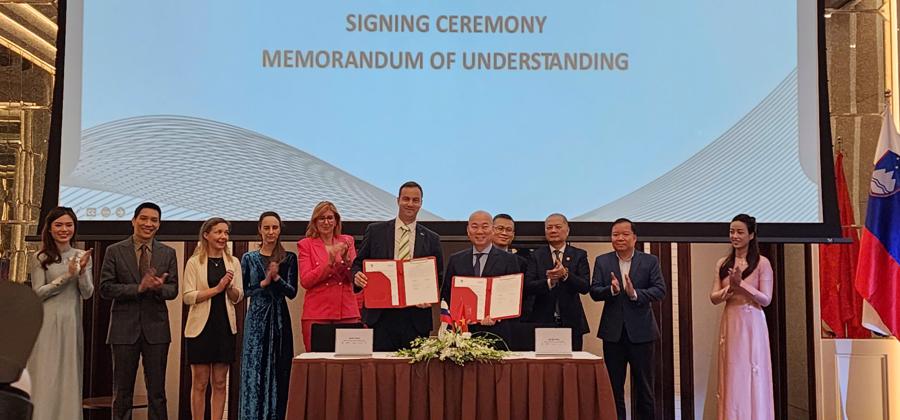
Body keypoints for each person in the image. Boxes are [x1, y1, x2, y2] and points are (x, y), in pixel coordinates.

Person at [99, 202, 178, 420]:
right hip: (124, 330)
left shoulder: (167, 253)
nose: (148, 224)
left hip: (157, 330)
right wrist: (138, 288)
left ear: (159, 225)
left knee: (157, 393)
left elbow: (173, 290)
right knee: (122, 393)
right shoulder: (114, 251)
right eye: (144, 218)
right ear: (133, 221)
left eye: (154, 220)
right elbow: (105, 288)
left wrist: (159, 287)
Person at [352, 181, 444, 351]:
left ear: (421, 203)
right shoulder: (375, 231)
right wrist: (356, 276)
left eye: (415, 200)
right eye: (406, 199)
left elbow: (437, 276)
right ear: (398, 200)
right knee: (381, 373)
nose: (410, 204)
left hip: (416, 318)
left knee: (415, 375)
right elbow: (358, 264)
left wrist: (430, 297)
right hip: (381, 316)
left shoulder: (432, 238)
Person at [590, 218, 666, 420]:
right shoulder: (602, 261)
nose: (620, 238)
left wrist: (635, 294)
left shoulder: (650, 261)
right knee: (614, 388)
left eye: (624, 234)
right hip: (613, 333)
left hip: (642, 333)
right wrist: (611, 290)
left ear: (634, 238)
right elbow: (595, 291)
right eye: (615, 235)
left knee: (644, 387)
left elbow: (660, 291)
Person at [26, 207, 92, 420]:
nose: (64, 229)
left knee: (69, 375)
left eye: (69, 225)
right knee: (45, 375)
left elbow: (88, 293)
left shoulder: (82, 256)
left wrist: (81, 272)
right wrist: (65, 276)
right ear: (50, 229)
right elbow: (37, 294)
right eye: (59, 225)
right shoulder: (40, 257)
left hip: (71, 323)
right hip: (45, 324)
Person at [709, 214, 774, 420]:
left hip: (753, 321)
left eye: (740, 232)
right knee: (732, 371)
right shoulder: (723, 263)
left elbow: (766, 299)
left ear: (751, 235)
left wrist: (741, 284)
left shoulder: (762, 263)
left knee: (753, 369)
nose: (734, 236)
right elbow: (713, 296)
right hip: (731, 319)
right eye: (731, 232)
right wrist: (728, 290)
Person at [183, 218, 244, 420]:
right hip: (200, 328)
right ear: (206, 235)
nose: (223, 237)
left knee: (220, 382)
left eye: (226, 233)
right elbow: (188, 296)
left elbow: (238, 297)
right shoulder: (194, 262)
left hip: (224, 327)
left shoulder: (233, 262)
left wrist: (229, 289)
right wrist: (216, 289)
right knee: (199, 382)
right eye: (218, 232)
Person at [239, 212, 297, 420]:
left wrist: (277, 278)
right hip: (256, 319)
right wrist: (263, 284)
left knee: (281, 369)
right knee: (255, 369)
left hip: (280, 318)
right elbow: (244, 290)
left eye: (275, 228)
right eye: (267, 228)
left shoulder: (289, 258)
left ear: (280, 230)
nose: (271, 232)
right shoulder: (248, 258)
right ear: (260, 230)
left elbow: (292, 292)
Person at [442, 210, 520, 345]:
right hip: (463, 334)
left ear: (493, 230)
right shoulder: (456, 259)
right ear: (468, 230)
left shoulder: (509, 260)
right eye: (474, 226)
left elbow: (512, 297)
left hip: (497, 333)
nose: (479, 231)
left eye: (485, 226)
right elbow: (447, 294)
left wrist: (497, 315)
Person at [298, 201, 360, 351]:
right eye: (321, 218)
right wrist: (330, 264)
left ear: (336, 221)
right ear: (315, 222)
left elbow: (353, 276)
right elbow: (306, 281)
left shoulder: (347, 241)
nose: (326, 222)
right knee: (318, 365)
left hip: (347, 311)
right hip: (318, 313)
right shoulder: (306, 244)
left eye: (330, 218)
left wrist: (345, 260)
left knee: (351, 364)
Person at [524, 213, 590, 350]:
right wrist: (550, 282)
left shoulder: (579, 255)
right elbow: (528, 286)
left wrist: (566, 274)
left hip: (572, 322)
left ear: (567, 230)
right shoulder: (535, 255)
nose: (553, 230)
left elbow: (585, 286)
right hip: (542, 320)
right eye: (549, 227)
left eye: (558, 227)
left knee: (572, 366)